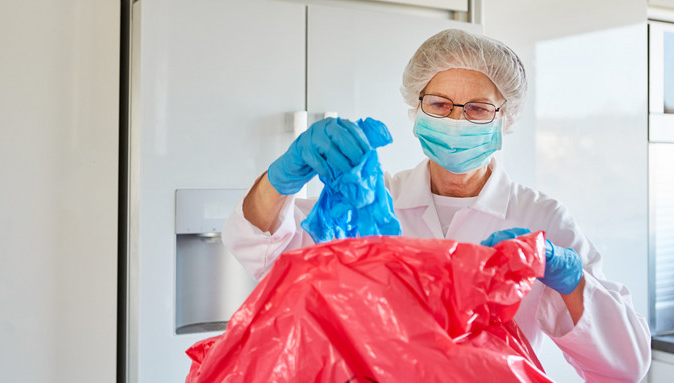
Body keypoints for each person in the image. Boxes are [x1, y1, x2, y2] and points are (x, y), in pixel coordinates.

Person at [222, 29, 651, 381]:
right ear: (417, 109)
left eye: (478, 108)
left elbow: (626, 365)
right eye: (440, 104)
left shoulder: (540, 217)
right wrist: (284, 175)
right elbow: (263, 252)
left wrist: (568, 276)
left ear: (507, 117)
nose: (456, 121)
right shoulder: (372, 202)